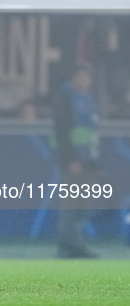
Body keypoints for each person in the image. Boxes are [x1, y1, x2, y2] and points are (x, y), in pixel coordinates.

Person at [52, 63, 99, 258]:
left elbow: (91, 133)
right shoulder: (66, 96)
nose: (84, 80)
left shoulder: (86, 98)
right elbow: (62, 130)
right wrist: (70, 159)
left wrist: (93, 161)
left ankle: (76, 243)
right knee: (71, 203)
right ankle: (67, 244)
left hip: (86, 160)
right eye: (81, 76)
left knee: (82, 204)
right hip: (74, 161)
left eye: (87, 77)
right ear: (74, 77)